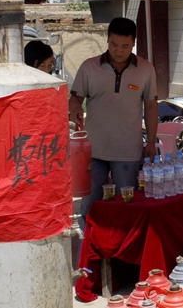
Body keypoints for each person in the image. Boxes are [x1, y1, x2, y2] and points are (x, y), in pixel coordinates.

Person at [69, 17, 158, 225]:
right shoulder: (89, 67)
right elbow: (75, 98)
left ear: (134, 43)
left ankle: (122, 251)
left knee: (125, 205)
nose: (118, 50)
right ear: (107, 40)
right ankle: (90, 249)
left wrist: (151, 142)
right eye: (113, 44)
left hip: (127, 151)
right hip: (92, 151)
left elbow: (152, 106)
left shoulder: (146, 69)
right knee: (90, 205)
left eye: (125, 46)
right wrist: (73, 105)